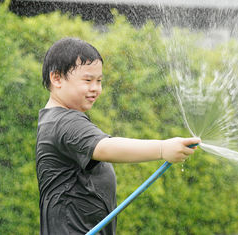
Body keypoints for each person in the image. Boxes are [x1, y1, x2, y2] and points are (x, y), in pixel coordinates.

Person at [36, 37, 199, 235]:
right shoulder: (64, 122)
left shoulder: (57, 120)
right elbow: (105, 147)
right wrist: (162, 149)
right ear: (57, 78)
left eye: (99, 81)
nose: (95, 88)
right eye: (88, 80)